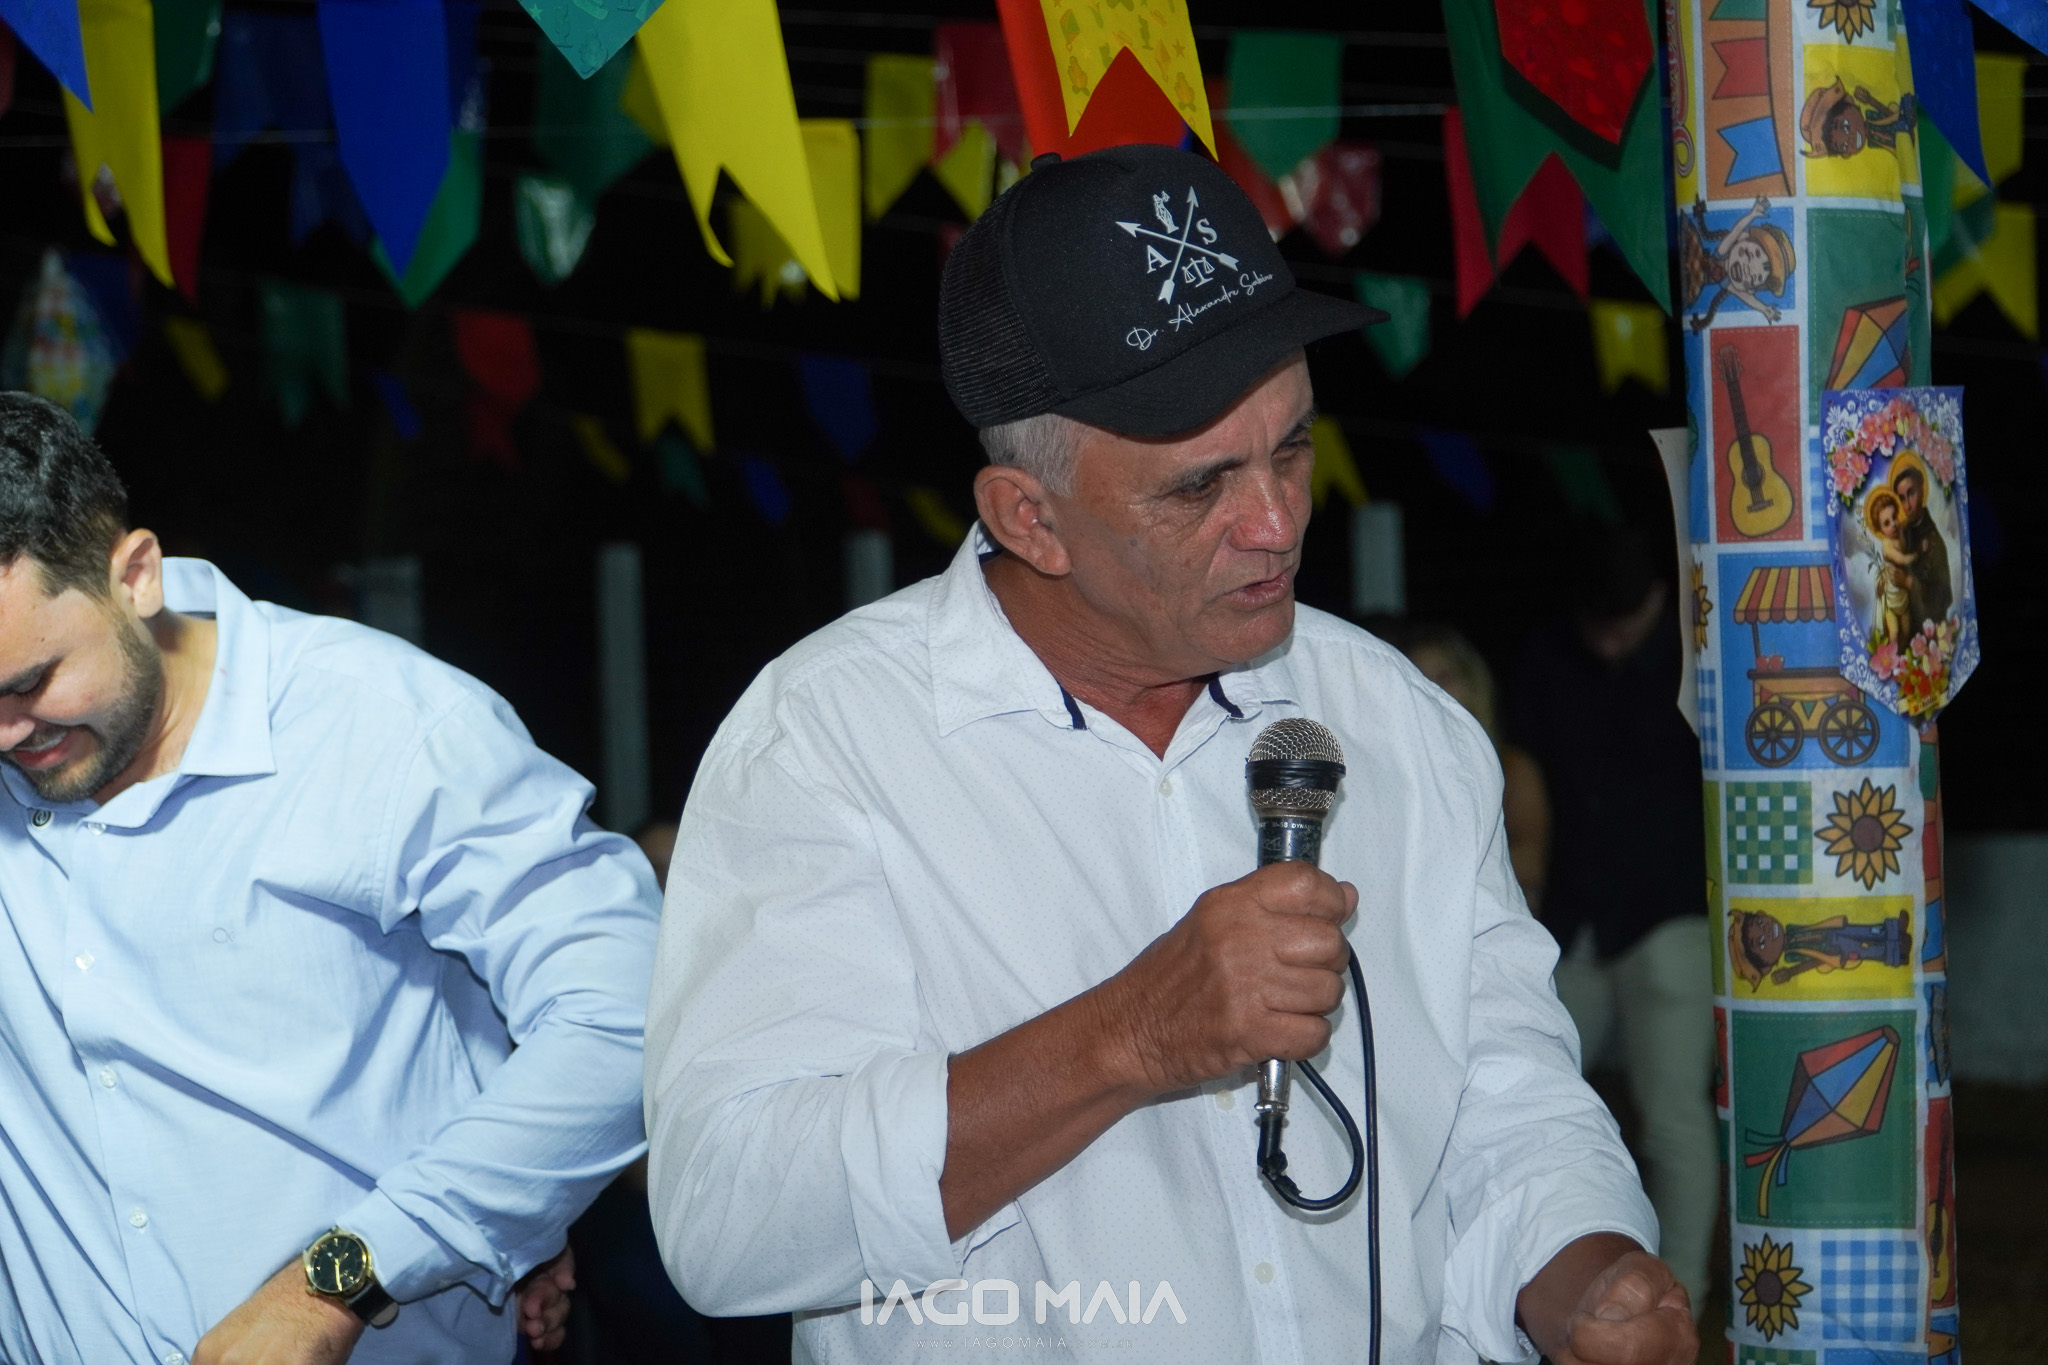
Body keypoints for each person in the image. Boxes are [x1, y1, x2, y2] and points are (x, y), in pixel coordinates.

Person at [645, 144, 1694, 1365]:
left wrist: (1579, 1270)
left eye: (1291, 448)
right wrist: (1127, 1038)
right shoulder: (827, 743)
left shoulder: (1398, 720)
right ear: (1028, 518)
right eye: (1201, 488)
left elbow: (1505, 1099)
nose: (1277, 521)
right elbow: (726, 1220)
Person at [0, 392, 660, 1364]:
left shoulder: (386, 726)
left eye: (30, 683)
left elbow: (628, 1018)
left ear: (134, 576)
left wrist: (341, 1280)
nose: (7, 734)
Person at [1508, 529, 1716, 1314]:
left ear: (1658, 597)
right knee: (1534, 1095)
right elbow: (1525, 771)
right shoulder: (1548, 654)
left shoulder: (1698, 653)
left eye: (1624, 622)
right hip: (1574, 920)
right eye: (1596, 624)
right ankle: (1534, 1275)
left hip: (1672, 915)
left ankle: (1683, 1292)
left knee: (1672, 1117)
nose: (1609, 640)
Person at [1396, 624, 1550, 910]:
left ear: (1472, 683)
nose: (1434, 691)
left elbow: (1530, 866)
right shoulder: (1404, 776)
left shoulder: (1513, 769)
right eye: (1421, 681)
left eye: (1444, 678)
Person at [1892, 459, 1952, 630]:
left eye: (1911, 494)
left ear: (1922, 490)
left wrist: (1910, 582)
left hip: (1926, 628)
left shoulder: (1935, 542)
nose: (1907, 506)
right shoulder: (1903, 532)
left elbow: (1944, 597)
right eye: (1902, 498)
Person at [1865, 488, 1916, 648]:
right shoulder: (1887, 544)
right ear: (1879, 529)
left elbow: (1905, 525)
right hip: (1891, 596)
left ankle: (1902, 657)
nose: (1893, 524)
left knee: (1907, 631)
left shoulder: (1899, 532)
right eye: (1887, 523)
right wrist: (1916, 556)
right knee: (1894, 632)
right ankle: (1892, 658)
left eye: (1894, 517)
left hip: (1903, 596)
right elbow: (1901, 559)